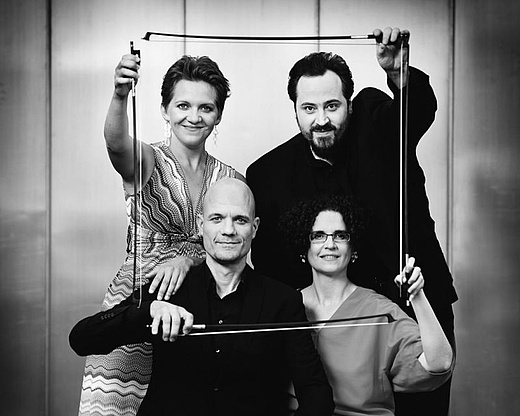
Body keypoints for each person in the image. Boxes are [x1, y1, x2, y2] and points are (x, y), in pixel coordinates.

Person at [246, 27, 457, 415]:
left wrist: (399, 72)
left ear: (350, 103)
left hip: (417, 302)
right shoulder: (267, 174)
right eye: (309, 109)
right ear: (294, 109)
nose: (321, 120)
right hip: (341, 328)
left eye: (332, 106)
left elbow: (416, 113)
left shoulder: (378, 121)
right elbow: (274, 271)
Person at [70, 178, 334, 416]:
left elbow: (316, 392)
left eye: (240, 220)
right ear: (201, 225)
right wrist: (148, 310)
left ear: (254, 228)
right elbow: (82, 338)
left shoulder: (283, 301)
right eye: (217, 218)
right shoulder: (167, 288)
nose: (228, 230)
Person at [78, 54, 243, 416]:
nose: (194, 116)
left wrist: (189, 259)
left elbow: (235, 246)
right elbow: (116, 144)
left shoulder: (230, 179)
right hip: (138, 298)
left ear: (218, 115)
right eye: (183, 105)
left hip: (199, 302)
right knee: (118, 404)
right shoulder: (148, 159)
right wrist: (120, 95)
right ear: (165, 109)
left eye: (206, 107)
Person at [282, 195, 454, 415]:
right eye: (318, 236)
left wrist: (417, 294)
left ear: (353, 248)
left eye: (341, 235)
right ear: (303, 247)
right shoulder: (284, 305)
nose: (330, 244)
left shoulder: (379, 311)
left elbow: (440, 363)